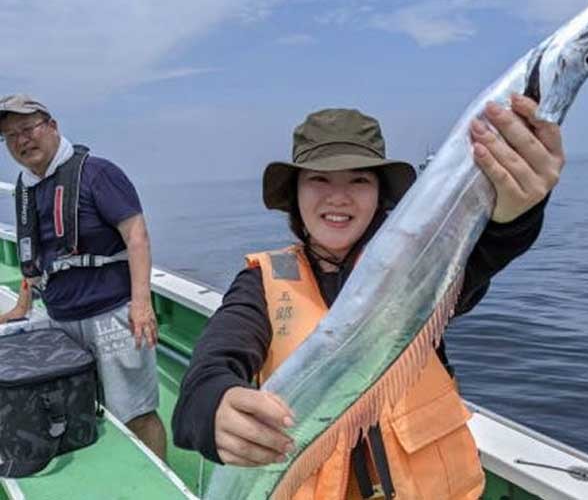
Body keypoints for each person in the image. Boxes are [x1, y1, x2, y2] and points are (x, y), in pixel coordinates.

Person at [172, 98, 564, 499]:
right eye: (319, 179)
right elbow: (209, 370)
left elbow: (485, 251)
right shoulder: (260, 284)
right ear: (295, 194)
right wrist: (213, 408)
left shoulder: (419, 270)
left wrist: (518, 214)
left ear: (380, 194)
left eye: (359, 180)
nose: (339, 197)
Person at [0, 94, 167, 461]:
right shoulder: (26, 187)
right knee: (80, 410)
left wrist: (141, 305)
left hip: (111, 314)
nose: (21, 140)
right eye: (10, 136)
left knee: (136, 412)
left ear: (53, 126)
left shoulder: (98, 173)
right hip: (60, 318)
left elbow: (136, 235)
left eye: (28, 129)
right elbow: (38, 256)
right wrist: (22, 304)